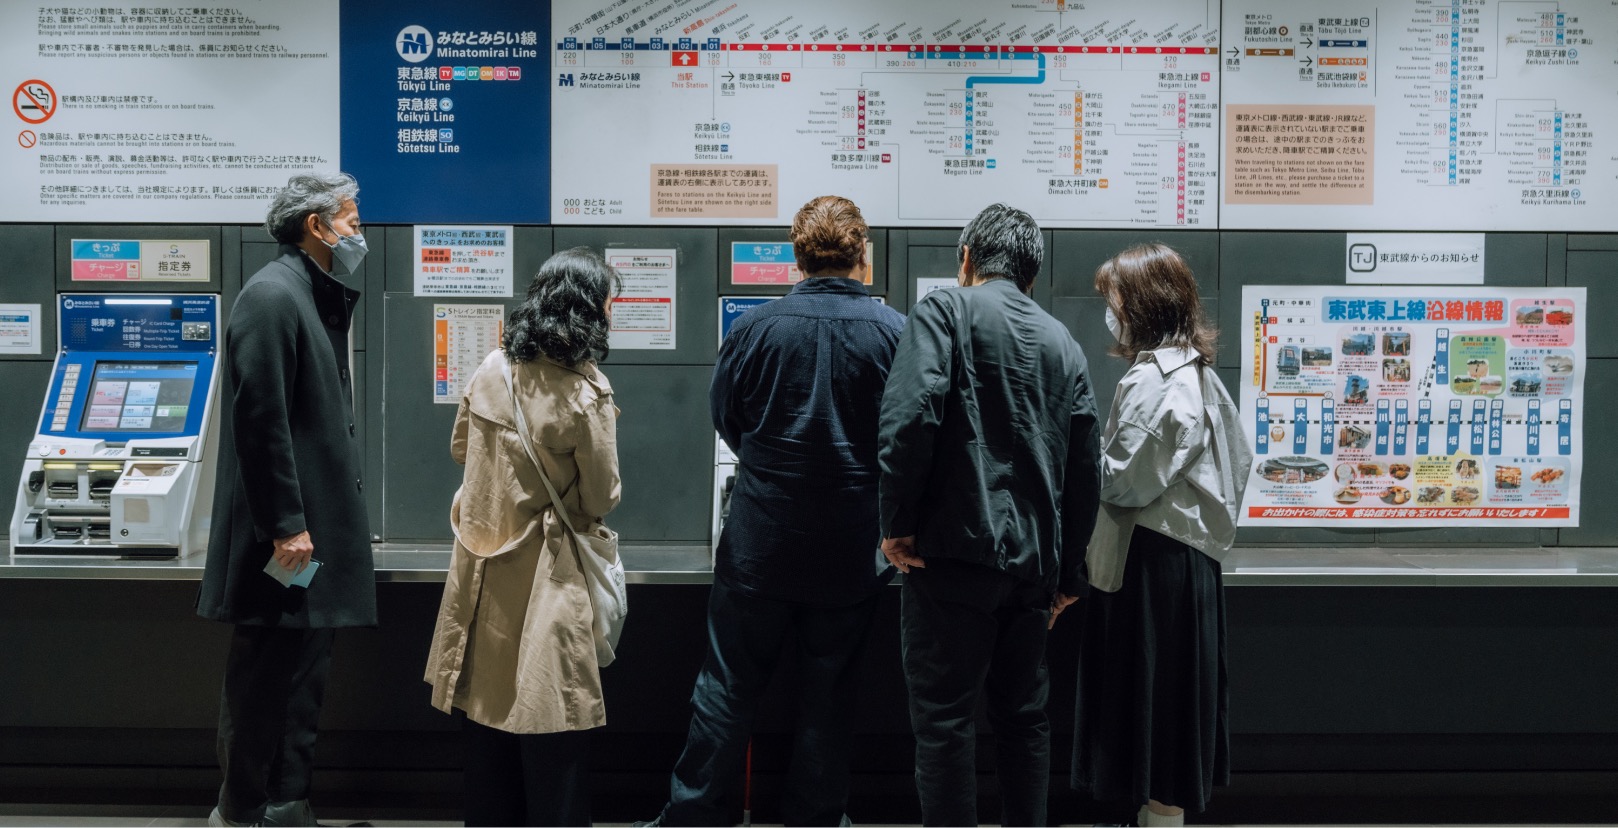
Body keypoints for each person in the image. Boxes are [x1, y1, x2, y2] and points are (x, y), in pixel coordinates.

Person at [644, 195, 905, 827]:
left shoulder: (754, 328)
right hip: (850, 545)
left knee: (727, 686)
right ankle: (814, 819)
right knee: (830, 692)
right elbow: (906, 434)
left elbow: (727, 419)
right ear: (862, 256)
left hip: (760, 540)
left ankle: (695, 815)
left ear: (796, 255)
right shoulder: (896, 333)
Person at [878, 203, 1101, 827]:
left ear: (968, 259)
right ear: (1030, 273)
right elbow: (1086, 470)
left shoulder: (944, 311)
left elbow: (908, 419)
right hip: (1032, 572)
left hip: (949, 557)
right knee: (1024, 720)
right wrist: (1067, 576)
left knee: (945, 725)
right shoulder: (1064, 343)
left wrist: (896, 522)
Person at [424, 247, 623, 827]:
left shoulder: (491, 370)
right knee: (551, 723)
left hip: (483, 576)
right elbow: (601, 496)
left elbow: (462, 449)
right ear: (589, 310)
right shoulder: (585, 395)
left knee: (485, 721)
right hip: (547, 579)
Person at [197, 172, 371, 828]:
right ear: (315, 227)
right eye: (350, 221)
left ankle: (287, 802)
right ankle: (242, 808)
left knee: (302, 670)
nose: (359, 234)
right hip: (286, 540)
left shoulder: (306, 294)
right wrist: (287, 525)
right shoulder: (272, 297)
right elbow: (259, 421)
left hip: (306, 537)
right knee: (265, 675)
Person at [1071, 243, 1253, 827]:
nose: (1111, 310)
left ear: (1142, 303)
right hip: (1184, 559)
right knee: (1173, 709)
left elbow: (1124, 481)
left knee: (1151, 708)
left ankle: (1158, 821)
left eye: (1115, 299)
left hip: (1153, 563)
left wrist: (1074, 460)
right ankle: (1158, 818)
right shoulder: (1196, 372)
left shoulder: (1159, 377)